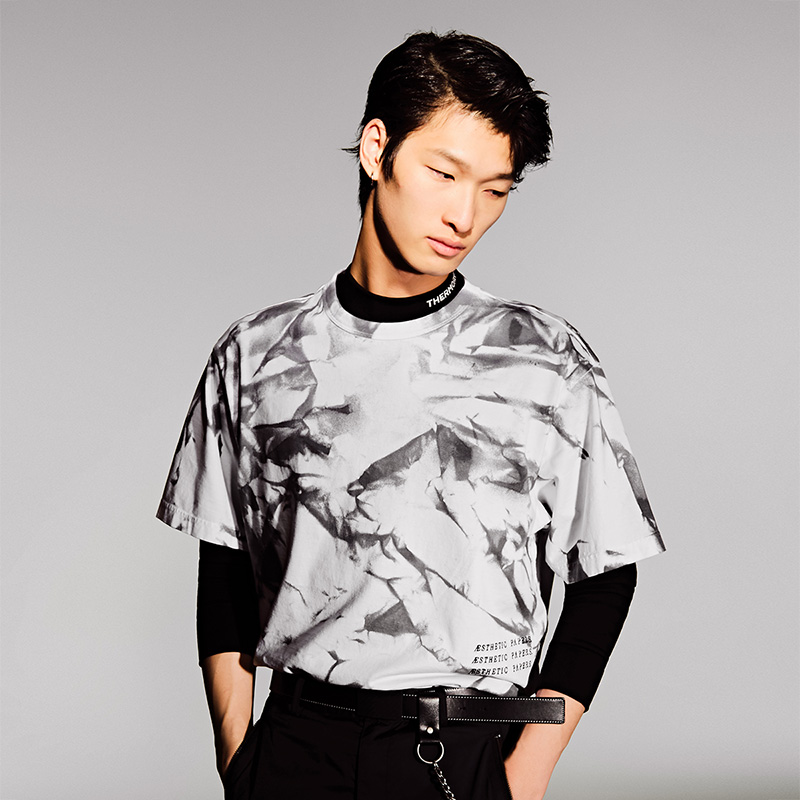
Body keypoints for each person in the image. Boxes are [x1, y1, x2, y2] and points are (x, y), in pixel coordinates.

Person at [157, 30, 665, 800]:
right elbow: (225, 567)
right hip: (297, 749)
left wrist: (523, 775)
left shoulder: (543, 358)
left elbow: (607, 573)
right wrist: (240, 759)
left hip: (463, 751)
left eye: (495, 190)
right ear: (377, 149)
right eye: (444, 173)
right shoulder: (257, 352)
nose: (465, 214)